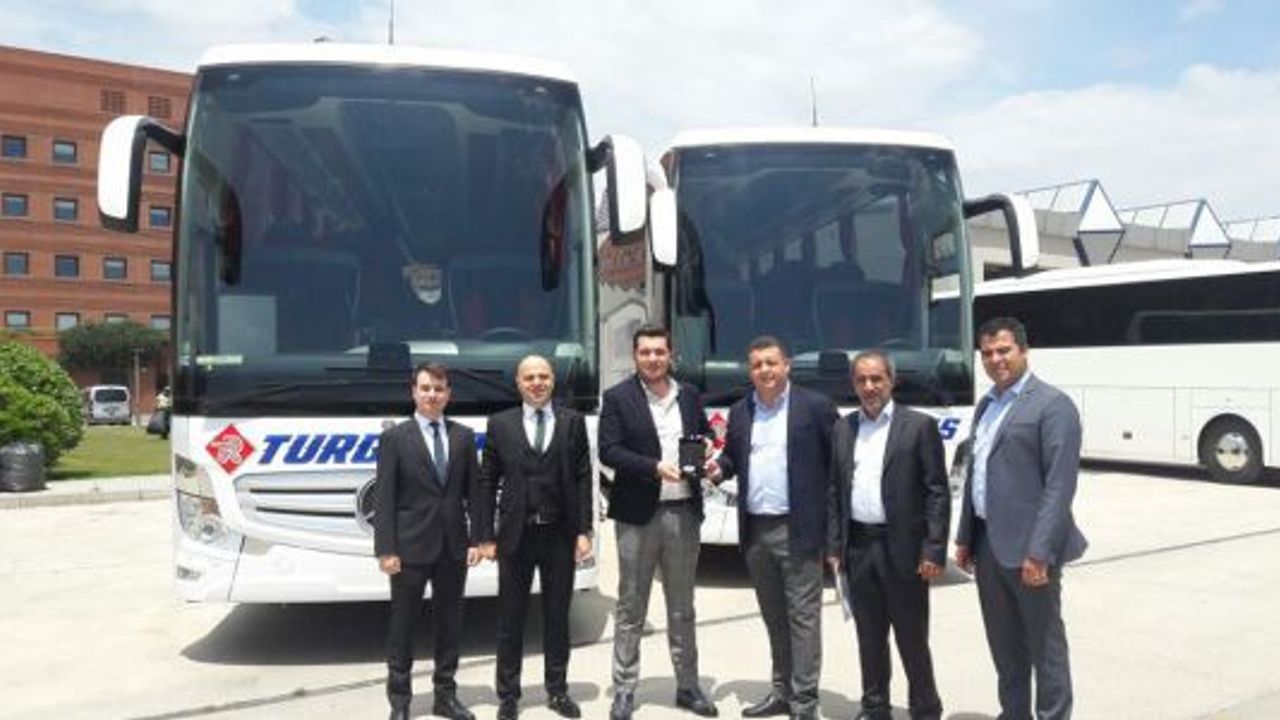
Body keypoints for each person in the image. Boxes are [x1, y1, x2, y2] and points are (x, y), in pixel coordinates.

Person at [954, 317, 1087, 720]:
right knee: (1005, 646)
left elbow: (1059, 486)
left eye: (1004, 350)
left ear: (1024, 351)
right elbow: (976, 474)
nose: (995, 359)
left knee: (1045, 647)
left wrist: (1039, 552)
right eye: (987, 353)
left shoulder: (1053, 405)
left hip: (1031, 551)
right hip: (988, 545)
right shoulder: (986, 405)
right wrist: (965, 536)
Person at [711, 335, 838, 720]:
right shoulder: (741, 411)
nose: (764, 370)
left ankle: (804, 702)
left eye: (771, 362)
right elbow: (733, 458)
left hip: (798, 529)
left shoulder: (815, 407)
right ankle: (781, 691)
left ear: (787, 365)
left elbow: (837, 469)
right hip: (755, 531)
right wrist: (717, 469)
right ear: (749, 371)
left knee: (803, 618)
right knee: (774, 617)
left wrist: (833, 534)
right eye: (756, 365)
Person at [598, 324, 720, 720]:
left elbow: (704, 433)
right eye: (645, 352)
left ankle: (688, 686)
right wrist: (653, 467)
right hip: (637, 515)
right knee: (631, 606)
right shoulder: (618, 398)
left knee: (682, 606)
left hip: (683, 511)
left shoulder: (689, 394)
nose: (653, 358)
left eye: (659, 352)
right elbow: (609, 451)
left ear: (671, 355)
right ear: (635, 356)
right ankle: (624, 689)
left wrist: (706, 444)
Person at [826, 350, 948, 720]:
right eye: (861, 380)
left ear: (891, 381)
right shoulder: (843, 428)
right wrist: (834, 545)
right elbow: (834, 491)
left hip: (905, 550)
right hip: (859, 548)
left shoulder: (919, 427)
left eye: (876, 378)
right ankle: (875, 706)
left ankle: (925, 708)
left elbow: (937, 492)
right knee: (869, 635)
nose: (869, 386)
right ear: (854, 384)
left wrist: (933, 550)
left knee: (911, 637)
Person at [474, 355, 593, 720]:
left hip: (559, 535)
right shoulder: (500, 424)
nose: (537, 383)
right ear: (519, 383)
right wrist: (484, 535)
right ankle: (508, 695)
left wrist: (584, 530)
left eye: (543, 376)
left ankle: (557, 690)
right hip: (515, 537)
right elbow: (487, 481)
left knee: (557, 618)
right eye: (530, 378)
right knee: (511, 620)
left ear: (553, 381)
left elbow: (583, 477)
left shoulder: (572, 422)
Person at [374, 362, 482, 720]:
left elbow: (475, 492)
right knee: (402, 626)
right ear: (414, 392)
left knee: (450, 625)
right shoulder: (395, 439)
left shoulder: (463, 437)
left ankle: (445, 696)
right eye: (425, 388)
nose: (432, 395)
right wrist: (386, 549)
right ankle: (400, 701)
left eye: (438, 389)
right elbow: (384, 498)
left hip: (453, 547)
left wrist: (478, 539)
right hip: (408, 548)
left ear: (448, 394)